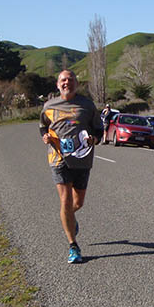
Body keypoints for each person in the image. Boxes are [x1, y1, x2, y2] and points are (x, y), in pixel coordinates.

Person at [39, 70, 104, 264]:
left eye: (70, 79)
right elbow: (43, 126)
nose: (67, 82)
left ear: (77, 83)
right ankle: (73, 246)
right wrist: (45, 136)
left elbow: (99, 129)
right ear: (58, 84)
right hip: (58, 158)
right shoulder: (49, 106)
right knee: (65, 201)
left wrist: (94, 139)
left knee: (78, 203)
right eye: (63, 80)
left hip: (82, 158)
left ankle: (68, 218)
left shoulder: (87, 105)